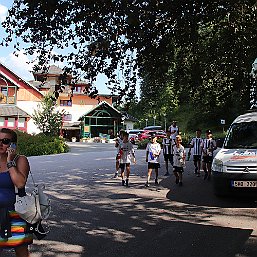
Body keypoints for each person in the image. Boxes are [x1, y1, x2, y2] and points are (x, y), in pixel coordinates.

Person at [0, 128, 33, 257]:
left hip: (16, 213)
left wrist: (9, 161)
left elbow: (20, 183)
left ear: (13, 144)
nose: (1, 144)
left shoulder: (20, 160)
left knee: (21, 250)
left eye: (5, 141)